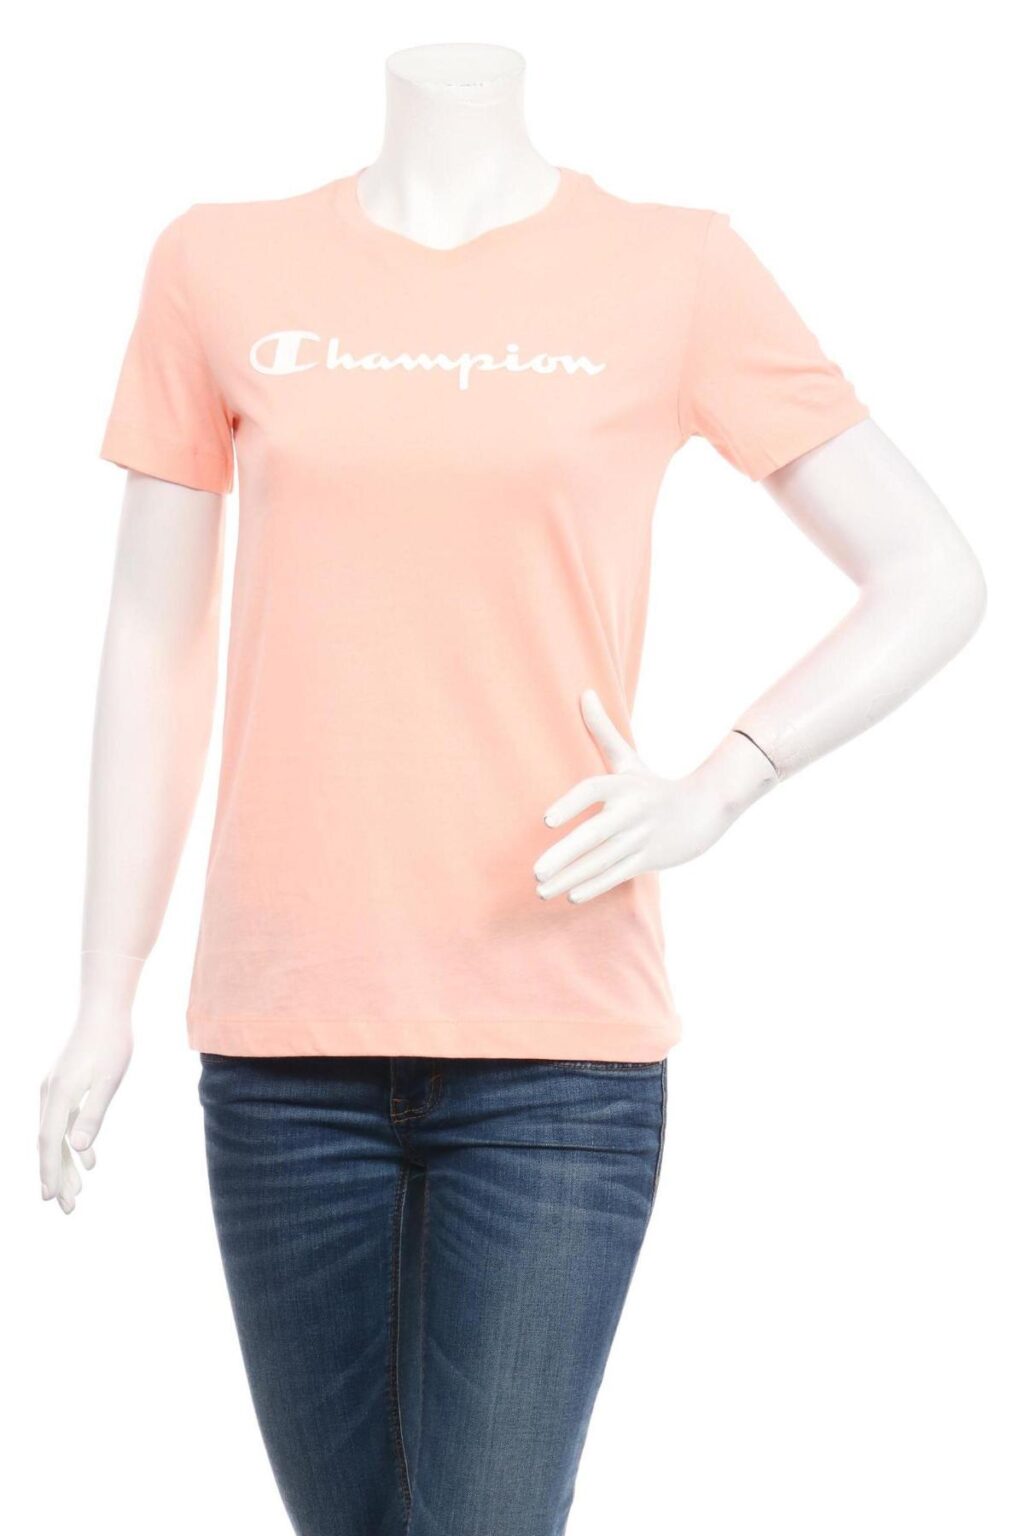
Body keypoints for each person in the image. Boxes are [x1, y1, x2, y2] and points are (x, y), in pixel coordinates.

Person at [38, 41, 986, 1536]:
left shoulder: (676, 269)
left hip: (557, 1049)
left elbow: (930, 572)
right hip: (284, 1046)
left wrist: (722, 785)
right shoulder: (217, 264)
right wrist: (107, 993)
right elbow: (154, 637)